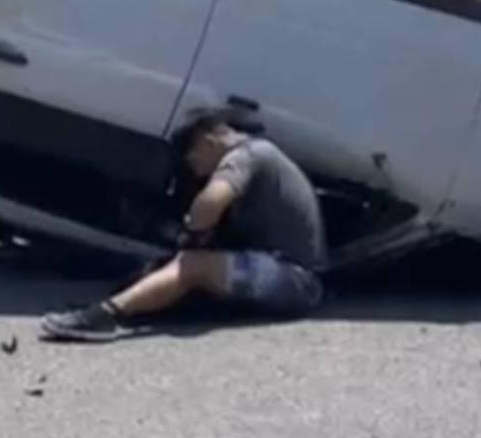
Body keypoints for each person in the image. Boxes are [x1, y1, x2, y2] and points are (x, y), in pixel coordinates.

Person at [40, 108, 327, 342]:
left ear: (208, 141)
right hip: (285, 272)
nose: (195, 170)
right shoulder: (260, 154)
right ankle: (127, 305)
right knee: (177, 267)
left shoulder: (245, 155)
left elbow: (210, 203)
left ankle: (104, 317)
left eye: (193, 159)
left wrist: (192, 234)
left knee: (192, 265)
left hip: (297, 281)